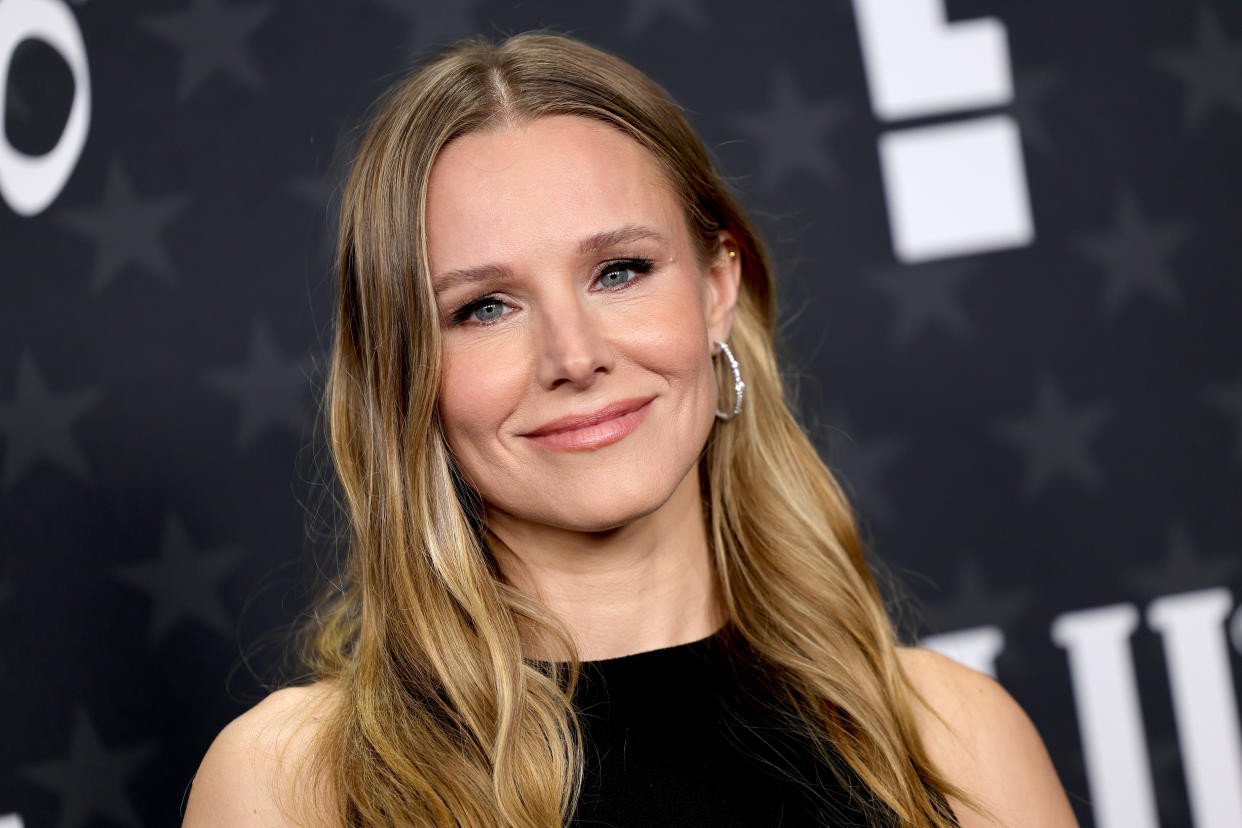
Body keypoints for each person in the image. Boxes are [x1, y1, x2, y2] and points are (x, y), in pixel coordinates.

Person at [182, 30, 1078, 827]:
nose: (574, 355)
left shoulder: (954, 742)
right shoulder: (298, 786)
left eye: (619, 271)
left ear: (717, 286)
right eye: (484, 307)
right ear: (404, 368)